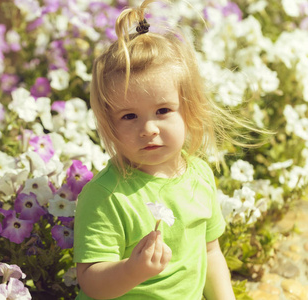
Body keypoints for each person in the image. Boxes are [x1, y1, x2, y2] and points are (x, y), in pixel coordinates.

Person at [72, 0, 262, 299]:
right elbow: (91, 281)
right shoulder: (107, 195)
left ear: (189, 109)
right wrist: (132, 270)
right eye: (129, 116)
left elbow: (210, 252)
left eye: (163, 110)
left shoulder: (199, 175)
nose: (148, 129)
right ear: (109, 124)